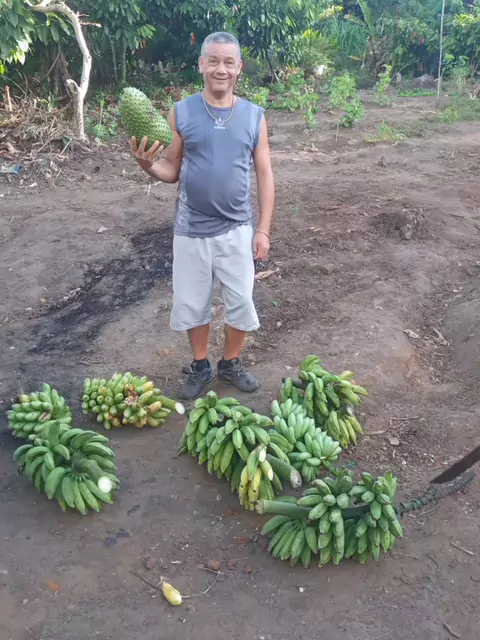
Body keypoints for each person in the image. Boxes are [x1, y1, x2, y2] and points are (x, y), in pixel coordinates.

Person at [130, 31, 275, 400]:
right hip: (191, 228)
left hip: (237, 227)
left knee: (241, 300)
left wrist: (263, 230)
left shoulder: (253, 116)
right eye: (213, 61)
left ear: (239, 68)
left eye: (228, 62)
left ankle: (231, 363)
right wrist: (147, 165)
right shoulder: (182, 111)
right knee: (192, 302)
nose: (220, 69)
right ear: (201, 65)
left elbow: (264, 173)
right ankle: (200, 365)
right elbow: (171, 168)